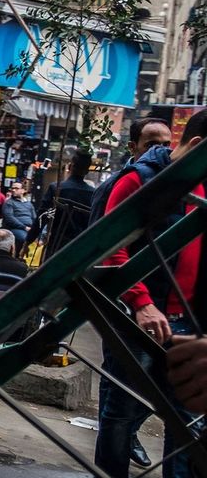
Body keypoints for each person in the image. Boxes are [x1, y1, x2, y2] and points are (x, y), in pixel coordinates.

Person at [94, 109, 207, 478]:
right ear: (197, 146)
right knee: (122, 409)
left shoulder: (202, 183)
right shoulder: (138, 180)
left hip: (189, 321)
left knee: (187, 418)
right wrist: (141, 303)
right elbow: (110, 246)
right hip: (140, 318)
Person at [88, 117, 172, 226]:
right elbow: (97, 235)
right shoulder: (110, 187)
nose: (160, 151)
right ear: (132, 147)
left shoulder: (173, 180)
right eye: (152, 146)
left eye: (166, 145)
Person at [29, 150, 94, 258]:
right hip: (79, 249)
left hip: (56, 247)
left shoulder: (56, 188)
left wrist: (28, 240)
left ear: (70, 166)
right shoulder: (92, 193)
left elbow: (42, 217)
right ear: (87, 171)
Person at [1, 182, 35, 256]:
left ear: (23, 190)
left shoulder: (29, 204)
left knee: (40, 239)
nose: (13, 190)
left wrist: (35, 228)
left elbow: (34, 217)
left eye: (16, 188)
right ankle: (19, 258)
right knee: (25, 239)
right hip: (15, 228)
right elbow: (9, 218)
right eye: (12, 188)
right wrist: (24, 227)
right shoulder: (9, 203)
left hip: (29, 228)